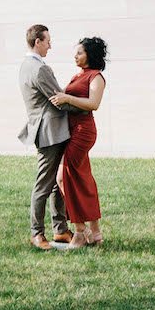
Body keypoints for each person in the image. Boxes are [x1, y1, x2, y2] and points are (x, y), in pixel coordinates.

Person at [17, 23, 72, 250]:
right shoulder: (39, 69)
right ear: (37, 41)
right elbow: (57, 98)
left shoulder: (26, 66)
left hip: (49, 130)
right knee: (44, 184)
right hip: (49, 132)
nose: (50, 45)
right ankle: (37, 234)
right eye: (48, 40)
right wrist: (86, 105)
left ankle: (60, 230)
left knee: (55, 185)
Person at [50, 36, 108, 248]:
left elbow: (94, 104)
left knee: (63, 178)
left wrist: (67, 98)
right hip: (71, 130)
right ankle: (95, 232)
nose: (75, 56)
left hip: (83, 132)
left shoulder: (96, 77)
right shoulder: (78, 75)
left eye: (80, 53)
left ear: (90, 55)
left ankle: (80, 231)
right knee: (83, 180)